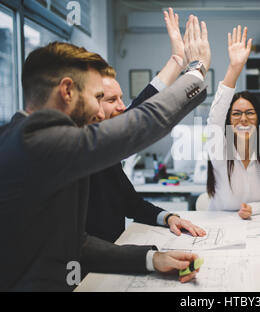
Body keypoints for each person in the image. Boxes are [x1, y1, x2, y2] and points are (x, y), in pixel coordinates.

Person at [0, 14, 211, 291]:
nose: (102, 112)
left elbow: (74, 244)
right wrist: (196, 70)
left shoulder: (41, 142)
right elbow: (142, 122)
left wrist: (151, 258)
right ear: (67, 91)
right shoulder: (36, 140)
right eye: (98, 97)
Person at [86, 8, 206, 245]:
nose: (122, 108)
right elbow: (142, 115)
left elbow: (130, 203)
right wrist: (195, 70)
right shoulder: (84, 151)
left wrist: (168, 217)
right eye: (111, 100)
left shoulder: (103, 153)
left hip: (108, 263)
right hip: (91, 271)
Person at [206, 25, 260, 220]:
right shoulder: (220, 150)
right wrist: (234, 69)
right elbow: (215, 117)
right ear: (228, 121)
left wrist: (253, 209)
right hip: (220, 225)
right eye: (236, 114)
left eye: (250, 113)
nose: (243, 119)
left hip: (254, 224)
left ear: (258, 118)